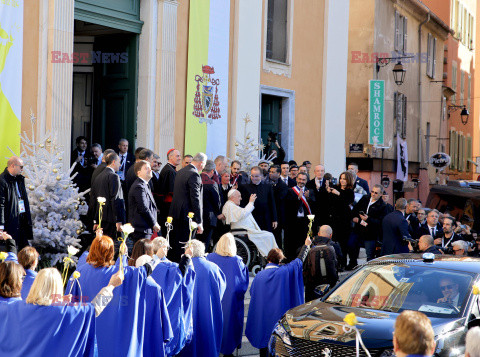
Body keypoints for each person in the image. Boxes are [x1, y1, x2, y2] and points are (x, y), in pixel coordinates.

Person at [68, 234, 171, 356]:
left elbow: (68, 303)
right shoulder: (119, 273)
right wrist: (156, 257)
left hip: (86, 334)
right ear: (111, 252)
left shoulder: (78, 273)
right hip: (112, 337)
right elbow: (144, 271)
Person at [0, 265, 122, 356]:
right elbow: (94, 308)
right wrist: (111, 285)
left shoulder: (13, 307)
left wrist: (57, 300)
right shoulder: (64, 312)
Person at [246, 236, 311, 357]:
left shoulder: (259, 276)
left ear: (268, 259)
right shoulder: (283, 272)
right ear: (280, 261)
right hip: (278, 321)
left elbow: (252, 294)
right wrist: (306, 245)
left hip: (263, 319)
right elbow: (298, 261)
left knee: (263, 348)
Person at [179, 239, 226, 357]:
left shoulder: (183, 267)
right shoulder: (213, 268)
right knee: (208, 344)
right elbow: (222, 288)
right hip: (209, 311)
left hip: (189, 314)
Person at [151, 237, 195, 356]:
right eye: (164, 247)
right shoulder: (156, 265)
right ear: (158, 248)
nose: (166, 250)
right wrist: (187, 258)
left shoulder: (167, 264)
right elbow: (178, 276)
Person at [206, 233, 249, 357]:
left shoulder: (209, 258)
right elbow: (242, 285)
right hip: (231, 303)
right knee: (229, 328)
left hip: (213, 300)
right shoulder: (237, 261)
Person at [169, 152, 206, 262]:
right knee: (185, 246)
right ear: (201, 163)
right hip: (187, 217)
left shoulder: (180, 171)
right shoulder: (194, 174)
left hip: (176, 214)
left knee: (176, 245)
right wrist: (199, 222)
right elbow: (196, 199)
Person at [222, 189, 278, 257]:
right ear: (232, 197)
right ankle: (273, 257)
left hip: (246, 231)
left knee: (269, 235)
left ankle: (272, 256)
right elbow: (243, 213)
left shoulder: (231, 205)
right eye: (239, 196)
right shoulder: (229, 205)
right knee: (269, 235)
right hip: (243, 232)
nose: (241, 198)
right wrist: (251, 202)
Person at [0, 156, 33, 250]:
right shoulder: (3, 180)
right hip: (10, 221)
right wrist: (1, 226)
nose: (22, 169)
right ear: (13, 166)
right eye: (21, 167)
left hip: (21, 219)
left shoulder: (19, 179)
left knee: (24, 249)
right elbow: (1, 204)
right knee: (12, 248)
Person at [90, 152, 126, 240]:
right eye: (119, 162)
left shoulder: (99, 176)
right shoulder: (113, 176)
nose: (120, 165)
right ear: (113, 162)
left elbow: (94, 199)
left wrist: (96, 220)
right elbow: (115, 199)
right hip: (111, 220)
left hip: (101, 218)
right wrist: (118, 220)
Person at [325, 171, 354, 268]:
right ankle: (336, 263)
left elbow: (347, 203)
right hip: (334, 220)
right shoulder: (335, 188)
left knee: (343, 244)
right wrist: (329, 192)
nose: (342, 180)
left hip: (344, 222)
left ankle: (343, 263)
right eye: (341, 178)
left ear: (348, 180)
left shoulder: (350, 191)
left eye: (344, 179)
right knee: (334, 242)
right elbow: (331, 203)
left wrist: (338, 194)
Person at [352, 184, 387, 262]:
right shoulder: (365, 198)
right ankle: (352, 263)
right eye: (372, 191)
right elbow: (355, 209)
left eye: (376, 193)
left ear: (381, 194)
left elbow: (380, 222)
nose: (373, 194)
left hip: (370, 233)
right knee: (352, 246)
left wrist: (368, 219)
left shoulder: (383, 206)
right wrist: (356, 217)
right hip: (359, 229)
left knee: (369, 255)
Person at [284, 172, 314, 260]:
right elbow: (287, 207)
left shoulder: (310, 191)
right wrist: (297, 199)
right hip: (293, 222)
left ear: (307, 180)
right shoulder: (290, 191)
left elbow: (315, 207)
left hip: (305, 222)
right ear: (296, 179)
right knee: (292, 244)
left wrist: (308, 198)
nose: (301, 181)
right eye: (300, 179)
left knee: (303, 243)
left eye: (303, 179)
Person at [128, 160, 160, 243]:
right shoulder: (139, 186)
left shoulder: (145, 185)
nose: (150, 170)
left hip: (146, 228)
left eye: (150, 168)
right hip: (141, 229)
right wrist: (154, 223)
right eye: (146, 168)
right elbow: (143, 208)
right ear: (139, 173)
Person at [238, 166, 277, 232]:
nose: (254, 178)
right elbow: (242, 205)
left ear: (261, 176)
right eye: (252, 176)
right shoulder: (245, 187)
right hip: (251, 219)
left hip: (265, 219)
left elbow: (272, 203)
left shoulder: (268, 186)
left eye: (256, 176)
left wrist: (274, 219)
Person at [304, 225, 338, 301]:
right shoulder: (335, 246)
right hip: (330, 287)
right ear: (331, 235)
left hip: (312, 287)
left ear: (318, 234)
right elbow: (340, 262)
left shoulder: (310, 246)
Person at [198, 160, 223, 251]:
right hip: (209, 218)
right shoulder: (212, 183)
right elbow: (217, 202)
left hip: (196, 217)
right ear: (212, 171)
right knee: (205, 243)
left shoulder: (196, 179)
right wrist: (218, 212)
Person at [158, 149, 181, 235]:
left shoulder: (170, 169)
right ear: (170, 157)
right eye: (177, 156)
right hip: (168, 207)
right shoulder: (169, 171)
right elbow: (172, 191)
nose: (179, 158)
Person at [266, 165, 288, 249]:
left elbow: (278, 201)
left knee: (277, 238)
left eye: (273, 172)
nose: (270, 174)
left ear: (279, 174)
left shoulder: (283, 186)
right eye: (270, 172)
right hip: (268, 215)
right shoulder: (266, 183)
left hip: (278, 216)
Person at [306, 164, 328, 229]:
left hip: (324, 214)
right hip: (312, 213)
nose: (320, 172)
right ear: (314, 172)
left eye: (322, 171)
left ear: (324, 172)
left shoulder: (328, 183)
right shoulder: (309, 183)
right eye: (318, 171)